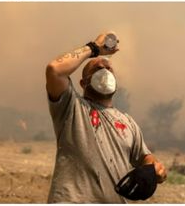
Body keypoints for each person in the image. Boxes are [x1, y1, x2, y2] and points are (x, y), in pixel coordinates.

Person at [45, 31, 167, 203]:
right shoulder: (71, 107)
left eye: (108, 69)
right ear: (83, 83)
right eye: (97, 69)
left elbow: (144, 157)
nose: (104, 70)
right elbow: (54, 70)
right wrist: (94, 48)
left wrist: (155, 169)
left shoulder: (128, 122)